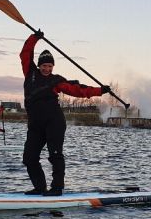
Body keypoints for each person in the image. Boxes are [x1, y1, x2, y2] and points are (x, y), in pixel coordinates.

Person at [20, 30, 110, 196]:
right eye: (44, 66)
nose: (46, 69)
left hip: (54, 122)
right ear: (39, 65)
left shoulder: (56, 80)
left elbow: (78, 89)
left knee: (55, 155)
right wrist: (34, 38)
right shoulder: (29, 73)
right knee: (29, 158)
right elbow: (25, 53)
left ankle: (57, 188)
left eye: (49, 66)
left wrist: (99, 91)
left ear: (53, 67)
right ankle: (39, 187)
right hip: (35, 125)